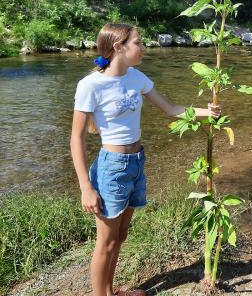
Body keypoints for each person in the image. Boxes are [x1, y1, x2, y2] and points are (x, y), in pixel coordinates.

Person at [70, 23, 220, 296]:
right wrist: (85, 187)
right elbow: (76, 139)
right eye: (138, 43)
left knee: (121, 236)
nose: (144, 48)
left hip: (136, 162)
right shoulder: (90, 85)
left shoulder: (137, 77)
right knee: (105, 242)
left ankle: (111, 290)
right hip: (111, 168)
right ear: (119, 47)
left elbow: (171, 109)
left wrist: (206, 112)